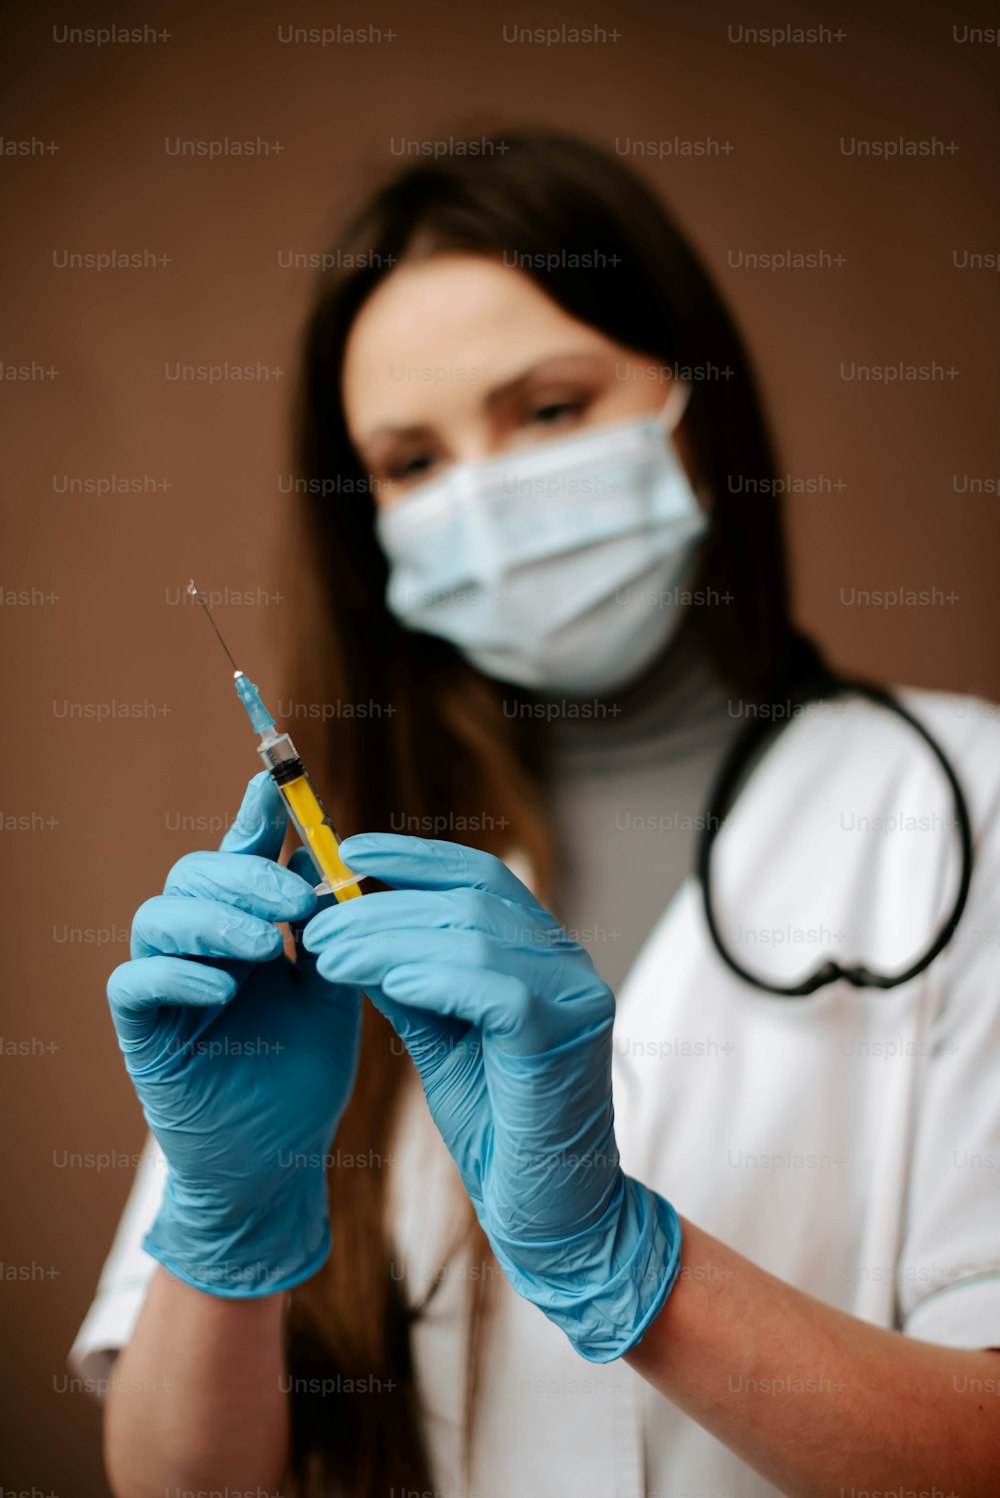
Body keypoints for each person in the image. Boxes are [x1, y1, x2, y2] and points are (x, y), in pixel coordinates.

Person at [70, 130, 1000, 1498]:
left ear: (696, 401)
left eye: (551, 410)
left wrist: (625, 1261)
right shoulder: (321, 893)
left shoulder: (961, 803)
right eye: (411, 459)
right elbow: (181, 1487)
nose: (489, 501)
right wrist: (223, 1225)